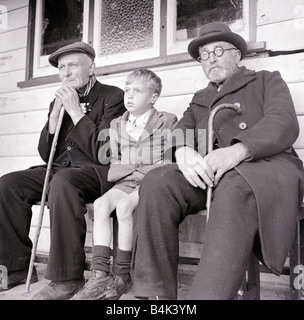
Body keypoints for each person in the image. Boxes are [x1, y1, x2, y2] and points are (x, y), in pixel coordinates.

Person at [132, 22, 304, 300]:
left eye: (218, 50)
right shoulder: (200, 99)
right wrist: (182, 152)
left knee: (235, 187)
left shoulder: (266, 79)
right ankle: (157, 296)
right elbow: (181, 131)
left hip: (264, 168)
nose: (211, 59)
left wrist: (239, 151)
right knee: (157, 181)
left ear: (237, 55)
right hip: (214, 174)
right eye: (204, 55)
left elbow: (282, 122)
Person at [0, 41, 126, 299]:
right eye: (61, 68)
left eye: (73, 65)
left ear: (91, 68)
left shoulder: (113, 97)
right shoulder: (57, 101)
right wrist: (54, 119)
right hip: (60, 170)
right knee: (8, 184)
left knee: (63, 182)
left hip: (97, 172)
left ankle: (67, 278)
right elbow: (47, 156)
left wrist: (75, 111)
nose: (66, 73)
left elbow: (105, 153)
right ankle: (17, 268)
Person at [72, 69, 178, 300]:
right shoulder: (118, 124)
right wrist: (139, 162)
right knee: (101, 205)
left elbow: (168, 159)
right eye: (127, 89)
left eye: (137, 91)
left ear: (153, 97)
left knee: (124, 207)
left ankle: (121, 274)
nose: (129, 95)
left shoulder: (167, 120)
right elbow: (110, 157)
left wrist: (139, 164)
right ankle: (100, 274)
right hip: (126, 179)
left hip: (150, 182)